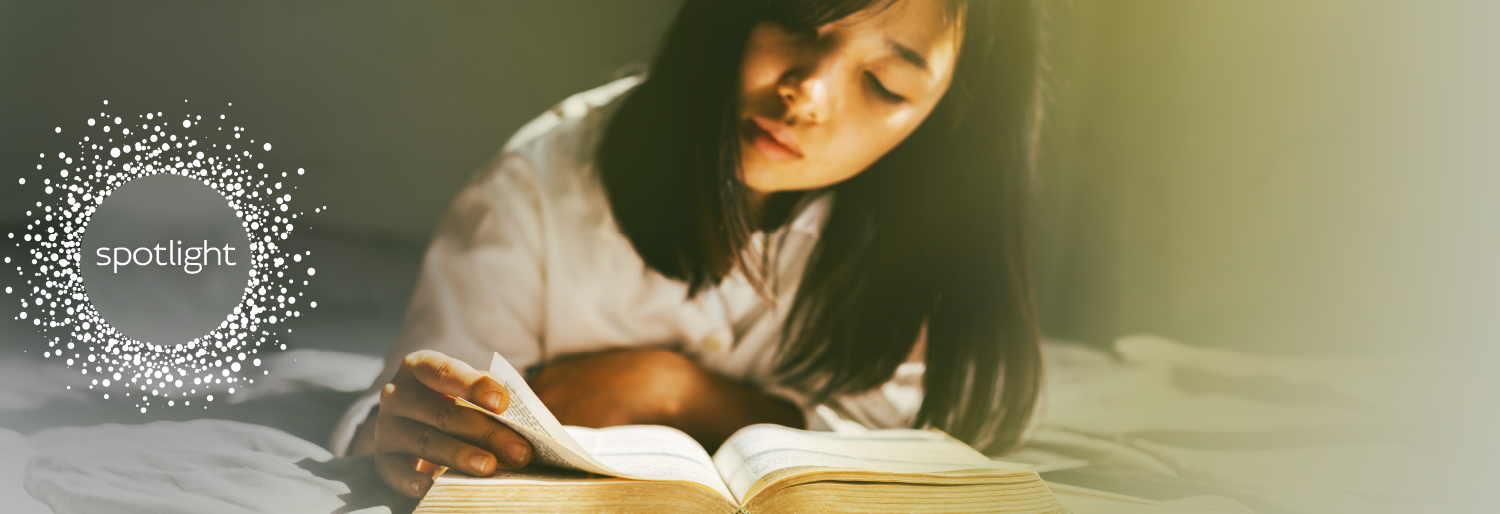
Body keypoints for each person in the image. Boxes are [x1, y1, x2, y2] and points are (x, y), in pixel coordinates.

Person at [335, 0, 1044, 498]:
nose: (809, 93)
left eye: (885, 84)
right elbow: (417, 415)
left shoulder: (926, 243)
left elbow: (912, 430)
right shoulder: (539, 188)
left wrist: (679, 393)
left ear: (942, 118)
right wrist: (402, 426)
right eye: (799, 21)